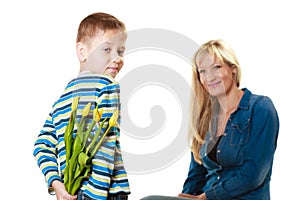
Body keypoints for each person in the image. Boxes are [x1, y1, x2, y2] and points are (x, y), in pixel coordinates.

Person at [141, 39, 279, 200]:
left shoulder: (260, 108)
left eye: (217, 67)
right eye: (203, 71)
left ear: (233, 69)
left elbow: (254, 174)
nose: (209, 77)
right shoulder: (205, 117)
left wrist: (209, 196)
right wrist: (186, 198)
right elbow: (196, 173)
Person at [33, 12, 130, 200]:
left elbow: (41, 145)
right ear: (82, 51)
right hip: (104, 193)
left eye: (121, 51)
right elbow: (105, 145)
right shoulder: (107, 85)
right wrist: (96, 195)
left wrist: (57, 184)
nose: (117, 58)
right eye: (107, 49)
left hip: (71, 193)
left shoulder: (63, 98)